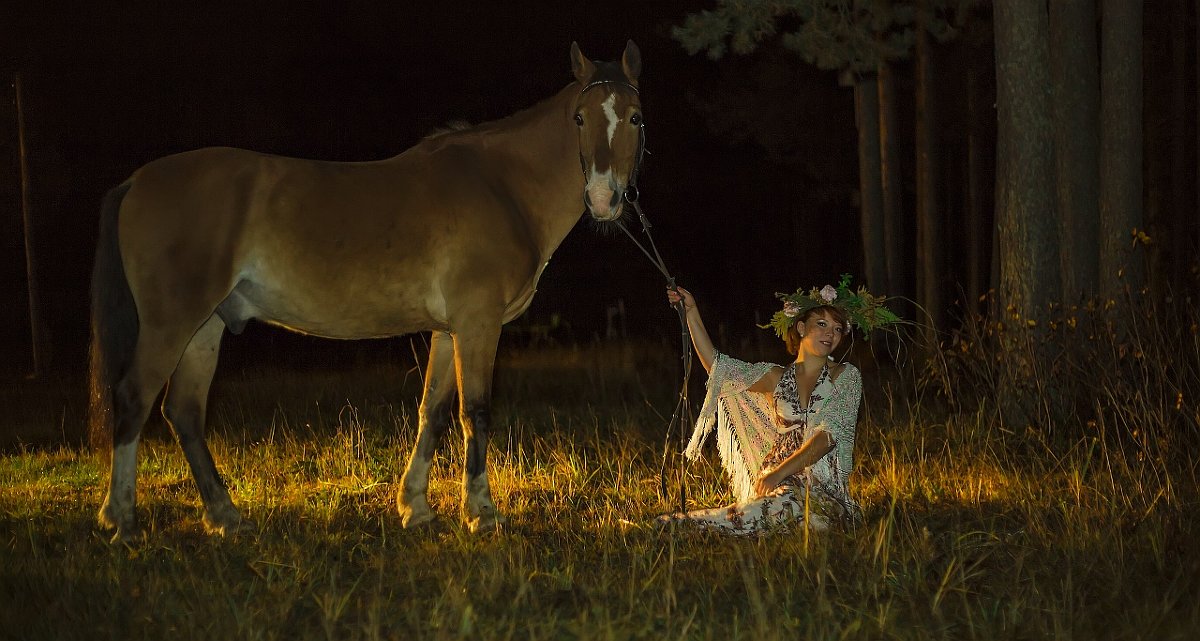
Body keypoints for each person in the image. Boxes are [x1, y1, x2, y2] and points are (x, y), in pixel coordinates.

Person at [658, 275, 898, 535]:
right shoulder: (776, 377)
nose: (831, 333)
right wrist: (691, 312)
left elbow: (826, 437)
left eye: (838, 328)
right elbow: (718, 368)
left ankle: (688, 526)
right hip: (778, 483)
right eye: (822, 324)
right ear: (802, 328)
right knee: (770, 514)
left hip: (821, 488)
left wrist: (779, 474)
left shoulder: (846, 376)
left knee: (806, 519)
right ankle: (678, 526)